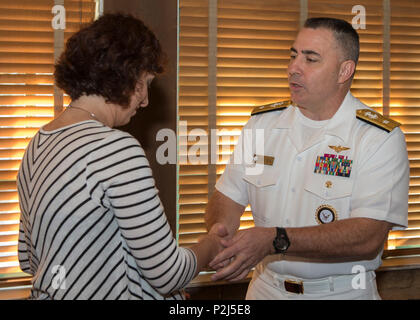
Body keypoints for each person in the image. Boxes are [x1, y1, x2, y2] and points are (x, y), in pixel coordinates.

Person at [17, 13, 226, 300]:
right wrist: (211, 244)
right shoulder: (115, 148)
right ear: (127, 75)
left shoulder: (37, 145)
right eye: (146, 83)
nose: (145, 100)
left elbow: (29, 260)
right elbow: (167, 274)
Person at [205, 17, 409, 300]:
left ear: (344, 71)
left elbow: (368, 236)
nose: (293, 68)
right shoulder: (262, 126)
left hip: (340, 293)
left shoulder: (377, 138)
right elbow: (228, 195)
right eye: (293, 56)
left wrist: (275, 240)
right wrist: (220, 233)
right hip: (266, 289)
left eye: (311, 59)